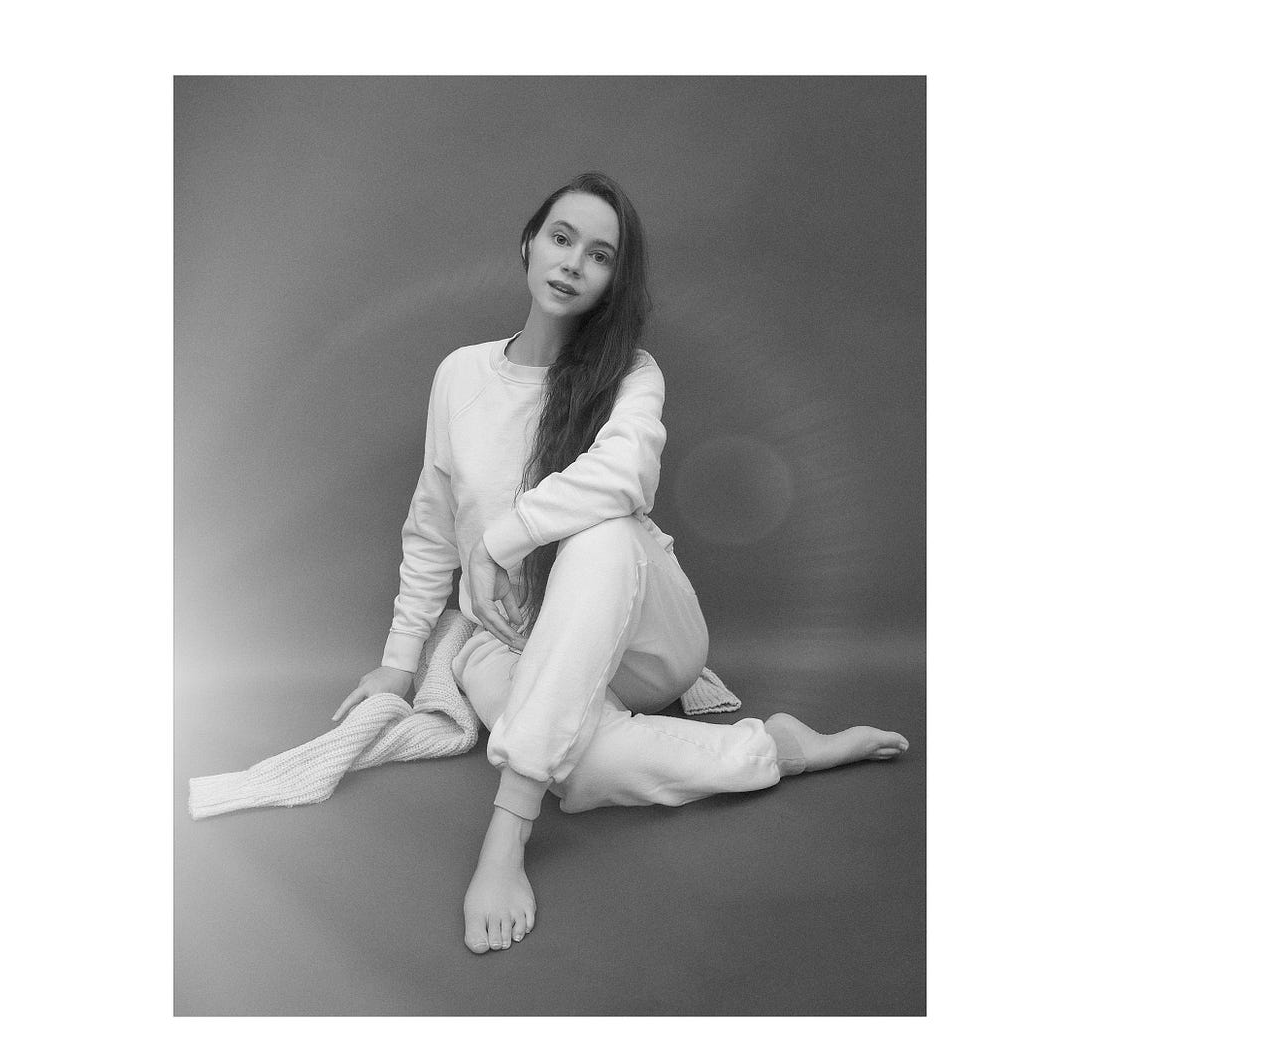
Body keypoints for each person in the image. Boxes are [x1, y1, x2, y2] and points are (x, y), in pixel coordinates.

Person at [331, 171, 909, 955]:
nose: (573, 263)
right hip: (511, 640)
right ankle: (776, 749)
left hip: (647, 641)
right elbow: (431, 526)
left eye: (599, 255)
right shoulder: (460, 375)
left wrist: (503, 537)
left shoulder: (631, 374)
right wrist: (400, 663)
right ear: (529, 244)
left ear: (613, 280)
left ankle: (506, 836)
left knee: (601, 532)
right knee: (578, 766)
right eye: (561, 238)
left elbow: (626, 474)